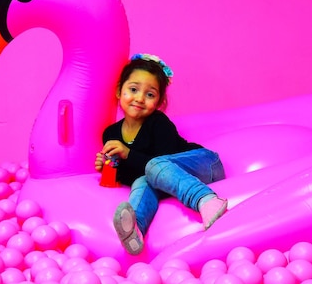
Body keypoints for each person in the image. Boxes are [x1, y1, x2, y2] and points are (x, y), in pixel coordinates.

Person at [95, 53, 228, 255]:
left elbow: (162, 164)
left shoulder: (159, 123)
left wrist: (128, 153)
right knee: (142, 180)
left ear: (158, 102)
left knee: (154, 167)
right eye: (133, 90)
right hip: (161, 177)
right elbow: (135, 173)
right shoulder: (111, 133)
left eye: (150, 94)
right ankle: (135, 230)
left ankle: (207, 200)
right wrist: (111, 168)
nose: (139, 98)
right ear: (118, 91)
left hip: (203, 164)